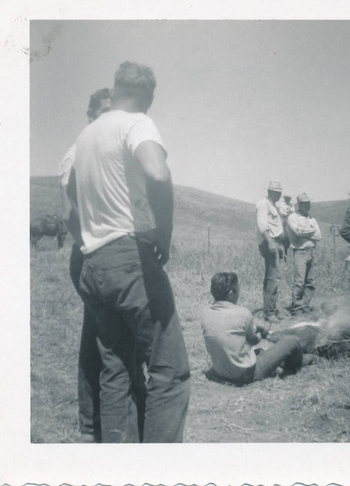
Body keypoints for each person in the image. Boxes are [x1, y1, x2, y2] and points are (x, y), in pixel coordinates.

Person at [67, 61, 190, 442]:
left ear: (115, 86)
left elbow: (72, 200)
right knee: (170, 370)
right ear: (147, 98)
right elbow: (157, 172)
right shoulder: (136, 122)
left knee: (116, 368)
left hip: (92, 263)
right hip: (129, 257)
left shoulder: (86, 135)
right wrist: (162, 234)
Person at [58, 87, 112, 443]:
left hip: (98, 253)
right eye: (103, 112)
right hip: (91, 253)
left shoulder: (102, 149)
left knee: (96, 335)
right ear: (90, 115)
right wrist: (89, 244)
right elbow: (68, 212)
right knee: (103, 338)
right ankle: (98, 423)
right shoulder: (78, 151)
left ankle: (94, 421)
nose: (109, 119)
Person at [201, 272, 304, 384]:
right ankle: (294, 367)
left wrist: (255, 327)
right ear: (231, 293)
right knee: (292, 340)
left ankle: (295, 360)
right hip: (245, 375)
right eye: (237, 289)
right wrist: (262, 334)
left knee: (260, 352)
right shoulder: (243, 313)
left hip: (221, 371)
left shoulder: (206, 312)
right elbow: (253, 340)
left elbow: (233, 331)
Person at [286, 193, 322, 316]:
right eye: (305, 203)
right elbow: (297, 232)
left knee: (310, 281)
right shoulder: (292, 217)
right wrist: (311, 231)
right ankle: (296, 308)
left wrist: (305, 232)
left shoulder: (312, 219)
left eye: (308, 203)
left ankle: (305, 305)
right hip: (300, 252)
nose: (307, 205)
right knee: (299, 282)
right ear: (299, 205)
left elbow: (319, 236)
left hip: (311, 251)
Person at [256, 181, 285, 322]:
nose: (279, 194)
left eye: (279, 192)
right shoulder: (264, 204)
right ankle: (269, 312)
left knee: (272, 277)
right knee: (273, 277)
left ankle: (271, 308)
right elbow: (262, 225)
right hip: (269, 242)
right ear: (270, 192)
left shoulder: (273, 205)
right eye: (276, 192)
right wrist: (271, 242)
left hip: (274, 242)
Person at [277, 194, 295, 261]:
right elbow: (280, 211)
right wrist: (285, 214)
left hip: (289, 217)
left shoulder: (291, 205)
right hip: (283, 217)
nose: (287, 200)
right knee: (279, 225)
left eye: (288, 198)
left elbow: (293, 211)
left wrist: (290, 213)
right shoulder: (282, 205)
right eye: (286, 198)